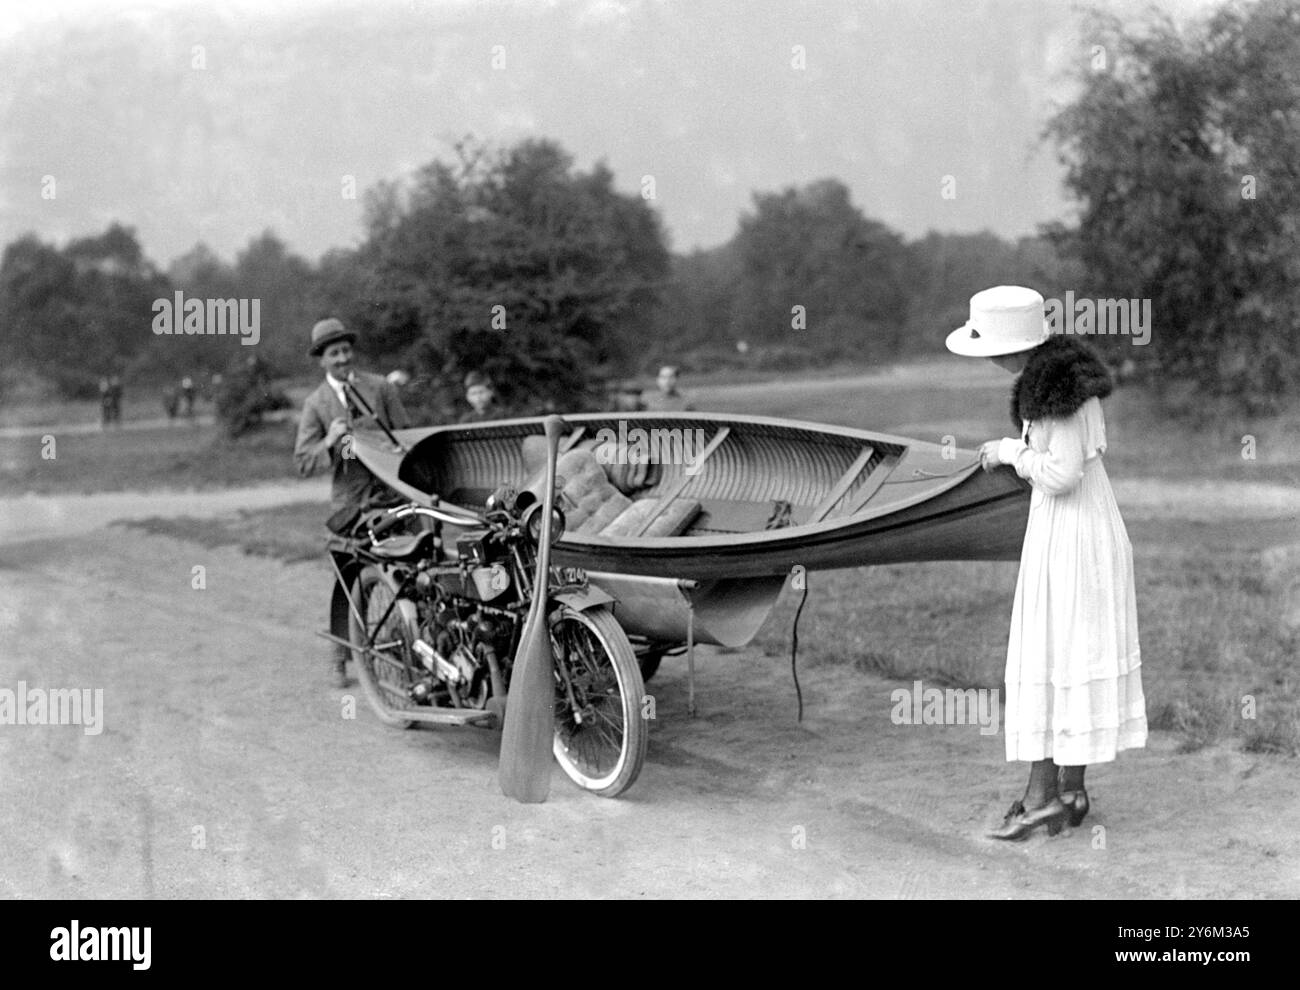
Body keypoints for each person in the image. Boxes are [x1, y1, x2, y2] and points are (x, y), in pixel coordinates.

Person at [945, 285, 1147, 840]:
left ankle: (1040, 798)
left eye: (989, 350)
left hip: (1071, 536)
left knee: (1051, 652)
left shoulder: (1050, 394)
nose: (988, 361)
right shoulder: (1069, 380)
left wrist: (1009, 451)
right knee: (1074, 650)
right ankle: (1072, 790)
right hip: (1092, 529)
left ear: (1010, 351)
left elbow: (1060, 476)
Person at [294, 317, 411, 687]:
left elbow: (406, 436)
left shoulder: (379, 388)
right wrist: (329, 441)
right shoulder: (316, 404)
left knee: (409, 570)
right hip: (349, 504)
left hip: (390, 495)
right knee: (347, 576)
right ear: (322, 360)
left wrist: (392, 450)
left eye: (346, 350)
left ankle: (405, 649)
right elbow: (303, 461)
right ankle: (340, 658)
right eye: (334, 353)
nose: (343, 359)